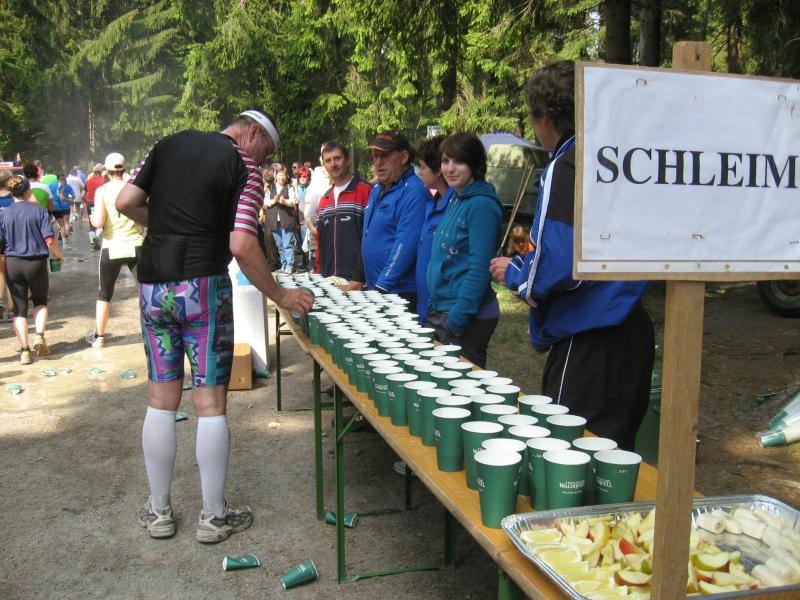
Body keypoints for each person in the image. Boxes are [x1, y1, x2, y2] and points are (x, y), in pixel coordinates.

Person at [116, 109, 313, 543]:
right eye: (266, 151)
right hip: (203, 287)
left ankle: (159, 512)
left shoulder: (165, 145)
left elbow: (125, 202)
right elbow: (240, 243)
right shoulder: (244, 165)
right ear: (252, 133)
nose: (264, 161)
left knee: (161, 398)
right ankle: (213, 517)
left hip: (153, 286)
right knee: (209, 402)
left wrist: (168, 226)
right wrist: (280, 295)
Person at [489, 60, 654, 451]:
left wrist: (515, 274)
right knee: (615, 454)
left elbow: (558, 264)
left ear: (544, 117)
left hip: (590, 337)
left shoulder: (568, 164)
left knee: (570, 451)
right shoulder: (620, 156)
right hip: (631, 328)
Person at [425, 133, 503, 368]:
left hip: (465, 314)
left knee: (460, 385)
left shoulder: (482, 206)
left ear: (474, 164)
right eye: (445, 161)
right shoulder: (457, 198)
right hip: (444, 308)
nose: (450, 168)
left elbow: (479, 269)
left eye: (458, 161)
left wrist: (458, 318)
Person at [360, 131, 428, 309]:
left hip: (398, 292)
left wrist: (382, 286)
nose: (378, 162)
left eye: (385, 155)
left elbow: (405, 244)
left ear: (404, 157)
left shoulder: (413, 190)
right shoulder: (377, 189)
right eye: (375, 156)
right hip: (376, 288)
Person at [0, 175, 64, 364]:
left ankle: (24, 352)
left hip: (13, 263)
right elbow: (49, 240)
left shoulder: (4, 214)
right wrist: (58, 254)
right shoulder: (39, 212)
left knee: (19, 309)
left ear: (11, 193)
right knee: (40, 301)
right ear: (28, 191)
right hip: (36, 263)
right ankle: (39, 337)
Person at [87, 152, 143, 349]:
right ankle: (151, 331)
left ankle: (99, 337)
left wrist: (92, 219)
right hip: (136, 244)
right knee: (145, 291)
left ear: (107, 171)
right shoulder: (134, 189)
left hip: (112, 245)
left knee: (104, 293)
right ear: (124, 169)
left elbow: (98, 222)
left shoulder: (102, 191)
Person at [315, 141, 371, 285]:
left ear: (348, 160)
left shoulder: (365, 191)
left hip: (358, 281)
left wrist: (360, 277)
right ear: (324, 165)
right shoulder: (324, 199)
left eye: (337, 158)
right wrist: (318, 274)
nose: (333, 164)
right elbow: (319, 241)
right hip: (329, 280)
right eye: (328, 160)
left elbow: (371, 238)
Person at [414, 134, 455, 326]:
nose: (420, 172)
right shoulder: (431, 202)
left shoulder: (455, 205)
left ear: (438, 170)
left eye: (423, 167)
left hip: (444, 308)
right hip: (425, 303)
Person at [264, 167, 299, 273]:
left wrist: (284, 202)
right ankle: (283, 264)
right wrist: (274, 201)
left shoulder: (290, 187)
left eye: (283, 175)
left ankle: (290, 265)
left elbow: (293, 201)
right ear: (276, 176)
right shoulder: (270, 188)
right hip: (273, 220)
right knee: (279, 244)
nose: (281, 177)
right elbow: (265, 202)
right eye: (279, 175)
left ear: (286, 177)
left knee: (288, 243)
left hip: (287, 219)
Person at [54, 174, 75, 249]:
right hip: (66, 206)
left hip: (57, 206)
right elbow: (74, 195)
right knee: (66, 222)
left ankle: (61, 233)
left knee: (60, 222)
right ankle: (66, 238)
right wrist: (70, 199)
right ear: (65, 179)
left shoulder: (55, 186)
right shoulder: (68, 186)